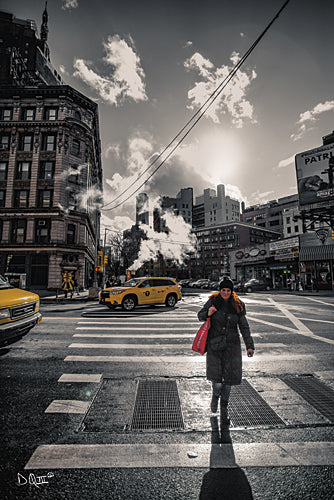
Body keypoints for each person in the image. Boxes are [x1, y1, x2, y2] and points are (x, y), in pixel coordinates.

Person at [197, 276, 255, 426]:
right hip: (215, 346)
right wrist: (208, 313)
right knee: (217, 382)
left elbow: (244, 327)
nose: (225, 293)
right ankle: (215, 396)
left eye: (228, 290)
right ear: (220, 290)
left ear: (231, 291)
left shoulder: (237, 304)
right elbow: (200, 316)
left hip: (232, 347)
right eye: (223, 290)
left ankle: (224, 411)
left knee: (228, 381)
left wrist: (249, 345)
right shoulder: (213, 301)